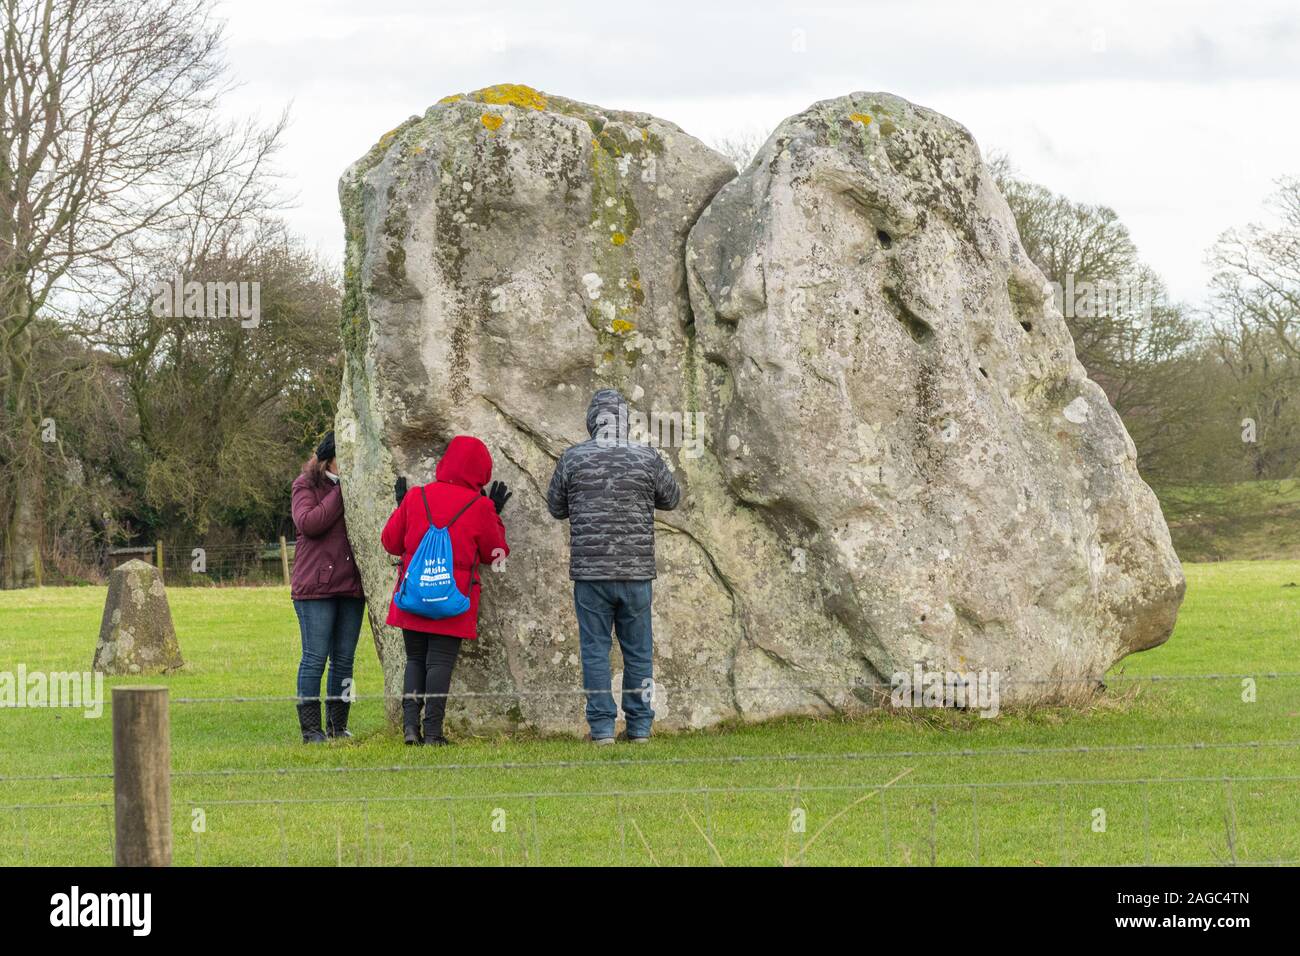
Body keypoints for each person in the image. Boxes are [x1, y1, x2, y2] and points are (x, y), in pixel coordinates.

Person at [546, 388, 681, 744]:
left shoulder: (573, 458)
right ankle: (640, 728)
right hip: (636, 573)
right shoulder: (645, 457)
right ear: (624, 421)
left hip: (591, 575)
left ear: (592, 422)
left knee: (595, 650)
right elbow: (672, 498)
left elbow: (556, 507)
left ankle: (602, 729)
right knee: (639, 653)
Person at [383, 435, 510, 745]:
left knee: (414, 660)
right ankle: (434, 732)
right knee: (439, 663)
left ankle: (410, 728)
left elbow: (390, 542)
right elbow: (496, 554)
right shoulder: (479, 506)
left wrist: (403, 509)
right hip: (452, 598)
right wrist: (493, 513)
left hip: (413, 595)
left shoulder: (416, 497)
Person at [290, 430, 365, 743]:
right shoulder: (305, 484)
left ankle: (338, 726)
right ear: (328, 457)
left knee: (344, 660)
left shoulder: (360, 484)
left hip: (350, 587)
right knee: (314, 658)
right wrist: (341, 490)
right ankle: (311, 730)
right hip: (315, 589)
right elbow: (308, 522)